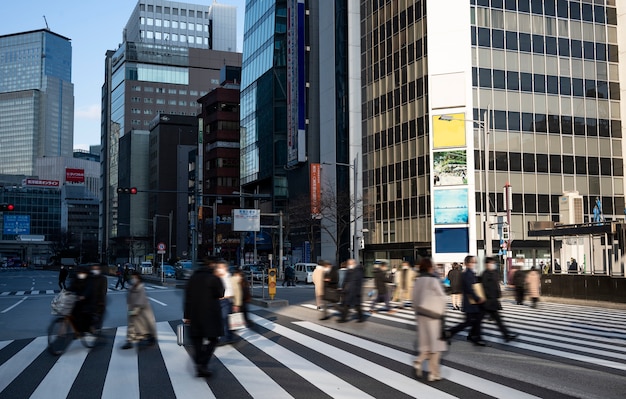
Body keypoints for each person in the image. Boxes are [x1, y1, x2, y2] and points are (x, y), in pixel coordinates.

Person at [184, 258, 224, 378]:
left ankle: (199, 365)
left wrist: (187, 316)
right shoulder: (213, 278)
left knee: (197, 340)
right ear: (212, 265)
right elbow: (220, 293)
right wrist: (218, 278)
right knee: (213, 339)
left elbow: (188, 298)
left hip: (195, 315)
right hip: (210, 315)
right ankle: (203, 363)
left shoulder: (193, 278)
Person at [412, 258, 447, 381]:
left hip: (421, 315)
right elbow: (443, 297)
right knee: (436, 346)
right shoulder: (433, 281)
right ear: (429, 267)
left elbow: (414, 299)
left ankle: (419, 360)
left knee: (426, 344)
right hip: (433, 316)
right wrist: (441, 312)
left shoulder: (418, 281)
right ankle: (434, 373)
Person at [444, 255, 486, 346]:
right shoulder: (467, 274)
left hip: (470, 301)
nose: (474, 264)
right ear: (467, 263)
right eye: (472, 262)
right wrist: (478, 298)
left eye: (474, 262)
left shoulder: (469, 273)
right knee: (473, 321)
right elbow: (470, 289)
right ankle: (474, 337)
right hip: (470, 302)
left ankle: (472, 335)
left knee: (473, 321)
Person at [481, 257, 518, 342]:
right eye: (490, 263)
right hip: (487, 301)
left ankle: (506, 335)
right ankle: (506, 335)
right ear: (486, 264)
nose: (492, 265)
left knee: (498, 320)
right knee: (480, 320)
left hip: (492, 301)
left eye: (493, 263)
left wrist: (498, 294)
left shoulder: (494, 273)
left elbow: (496, 285)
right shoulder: (485, 274)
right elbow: (484, 287)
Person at [121, 271, 157, 349]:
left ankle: (151, 338)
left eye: (135, 278)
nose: (133, 279)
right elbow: (129, 298)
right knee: (131, 326)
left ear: (138, 279)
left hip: (143, 311)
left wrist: (136, 310)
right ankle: (129, 341)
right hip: (133, 309)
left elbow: (141, 300)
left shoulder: (141, 288)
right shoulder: (131, 288)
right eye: (132, 277)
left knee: (147, 326)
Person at [215, 260, 241, 345]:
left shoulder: (231, 278)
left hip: (227, 300)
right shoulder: (217, 278)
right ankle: (229, 336)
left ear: (225, 268)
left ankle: (225, 338)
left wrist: (237, 304)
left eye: (221, 267)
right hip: (219, 300)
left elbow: (237, 291)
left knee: (224, 319)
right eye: (218, 267)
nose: (219, 269)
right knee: (224, 320)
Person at [69, 266, 92, 333]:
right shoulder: (76, 278)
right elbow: (72, 286)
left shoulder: (89, 279)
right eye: (79, 273)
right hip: (77, 298)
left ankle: (83, 329)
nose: (81, 274)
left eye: (82, 273)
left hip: (86, 300)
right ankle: (76, 330)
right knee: (72, 313)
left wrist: (84, 296)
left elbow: (89, 289)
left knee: (82, 314)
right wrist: (66, 291)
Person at [87, 264, 108, 331]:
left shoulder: (103, 278)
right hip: (91, 301)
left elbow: (103, 291)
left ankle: (97, 329)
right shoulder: (90, 278)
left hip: (99, 301)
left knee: (99, 317)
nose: (95, 270)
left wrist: (101, 301)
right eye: (93, 269)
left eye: (96, 269)